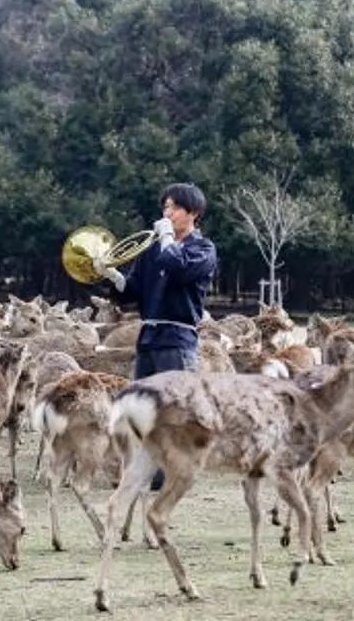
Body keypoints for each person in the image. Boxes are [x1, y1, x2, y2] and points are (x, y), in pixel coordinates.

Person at [92, 182, 218, 490]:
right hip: (148, 337)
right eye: (165, 207)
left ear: (194, 213)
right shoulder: (152, 250)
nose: (167, 213)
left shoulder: (203, 249)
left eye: (174, 207)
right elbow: (132, 292)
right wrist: (110, 274)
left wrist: (165, 238)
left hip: (177, 339)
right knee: (144, 412)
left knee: (173, 413)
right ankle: (148, 478)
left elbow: (178, 267)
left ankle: (172, 478)